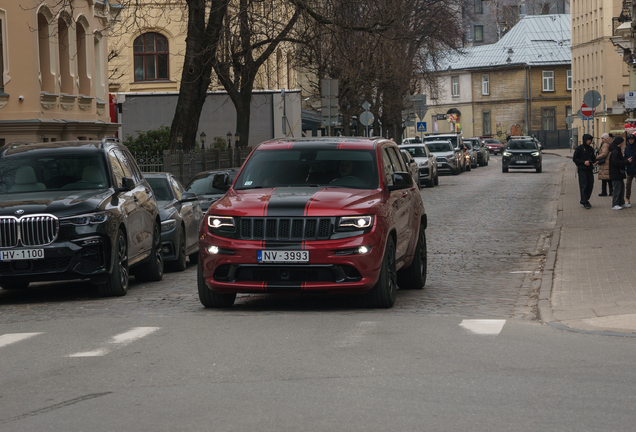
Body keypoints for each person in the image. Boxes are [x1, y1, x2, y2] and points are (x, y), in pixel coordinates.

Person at [608, 136, 634, 210]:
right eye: (622, 142)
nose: (623, 143)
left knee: (621, 188)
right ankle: (615, 204)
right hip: (616, 173)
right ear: (619, 143)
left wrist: (626, 160)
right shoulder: (615, 152)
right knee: (617, 189)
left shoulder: (617, 150)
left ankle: (621, 202)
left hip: (618, 174)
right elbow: (616, 163)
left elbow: (620, 160)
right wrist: (626, 162)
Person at [572, 133, 596, 209]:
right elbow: (575, 158)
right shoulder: (579, 148)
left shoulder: (590, 149)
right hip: (582, 170)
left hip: (589, 170)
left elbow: (593, 158)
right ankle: (584, 201)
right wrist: (583, 162)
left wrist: (595, 161)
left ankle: (585, 199)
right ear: (585, 140)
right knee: (584, 186)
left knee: (590, 185)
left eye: (590, 140)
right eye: (588, 140)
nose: (590, 141)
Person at [624, 134, 636, 206]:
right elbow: (625, 157)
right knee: (628, 185)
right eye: (629, 139)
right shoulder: (626, 148)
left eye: (632, 139)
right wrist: (627, 161)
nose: (631, 140)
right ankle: (627, 199)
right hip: (629, 169)